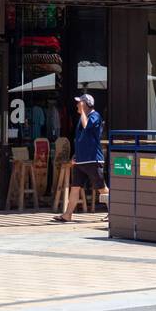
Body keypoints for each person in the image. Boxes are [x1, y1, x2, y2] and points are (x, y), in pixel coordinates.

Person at [54, 93, 104, 223]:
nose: (77, 105)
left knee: (102, 188)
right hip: (81, 160)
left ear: (86, 104)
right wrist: (75, 156)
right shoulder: (82, 117)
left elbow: (87, 127)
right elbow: (80, 140)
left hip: (92, 159)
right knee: (75, 187)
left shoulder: (95, 116)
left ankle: (114, 213)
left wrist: (82, 111)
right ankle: (67, 214)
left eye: (79, 103)